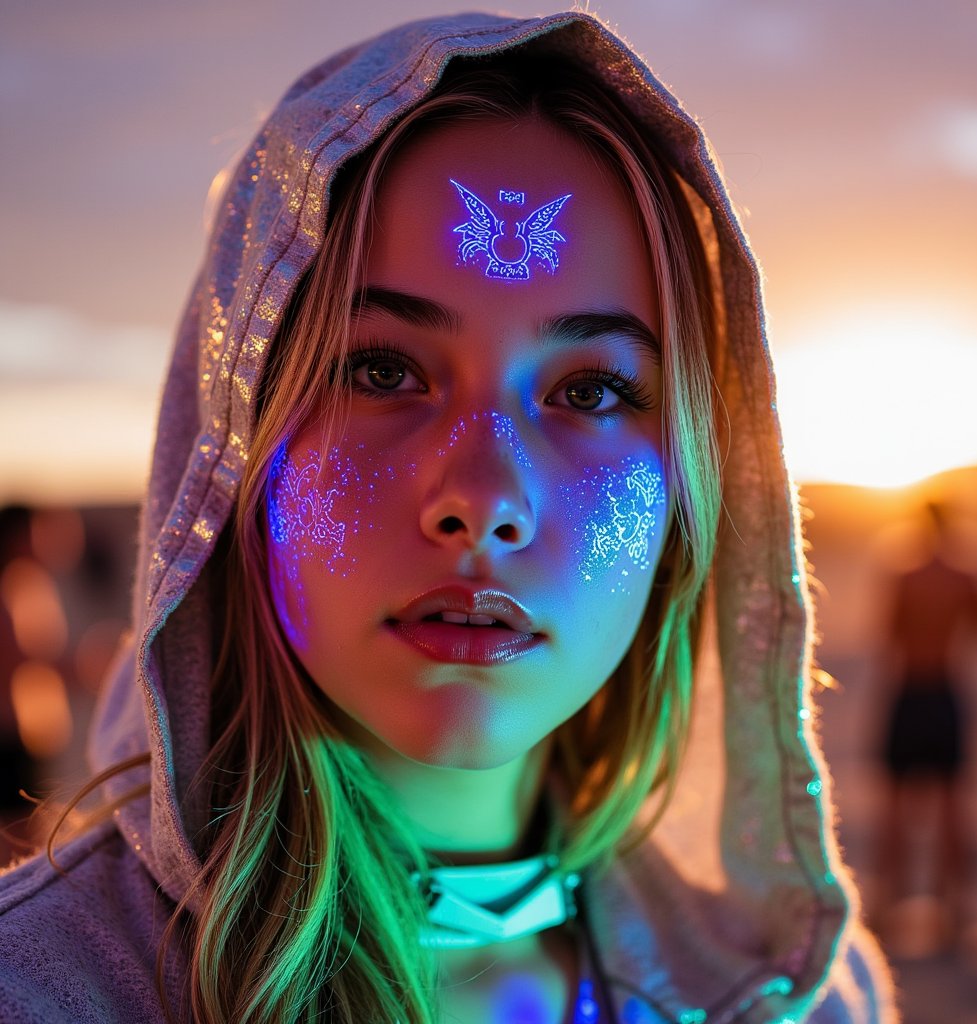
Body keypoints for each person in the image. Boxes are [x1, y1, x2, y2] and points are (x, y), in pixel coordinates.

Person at [0, 12, 894, 1023]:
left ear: (692, 493)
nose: (483, 500)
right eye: (383, 371)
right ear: (231, 454)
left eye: (591, 391)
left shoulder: (803, 1001)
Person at [872, 501, 977, 947]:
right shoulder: (965, 576)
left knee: (895, 807)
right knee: (952, 807)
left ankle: (888, 905)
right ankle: (954, 909)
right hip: (945, 693)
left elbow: (887, 636)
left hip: (909, 693)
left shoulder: (905, 575)